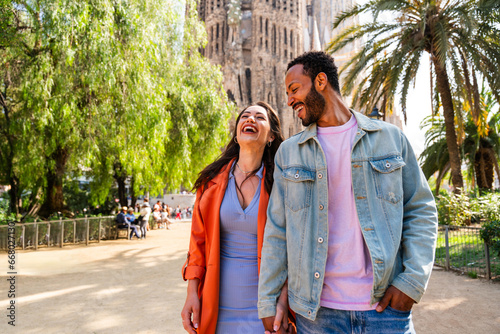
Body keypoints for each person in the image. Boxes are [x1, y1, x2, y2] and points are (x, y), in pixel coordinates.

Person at [258, 51, 438, 334]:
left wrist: (412, 281)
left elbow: (420, 209)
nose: (289, 100)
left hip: (385, 312)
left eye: (294, 89)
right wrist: (268, 302)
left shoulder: (389, 138)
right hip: (317, 315)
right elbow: (278, 231)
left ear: (320, 81)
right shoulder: (290, 153)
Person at [181, 102, 287, 334]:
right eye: (245, 116)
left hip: (266, 309)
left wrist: (283, 302)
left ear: (271, 136)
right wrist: (192, 293)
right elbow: (197, 244)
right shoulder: (210, 182)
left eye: (259, 117)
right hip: (216, 305)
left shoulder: (282, 184)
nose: (250, 119)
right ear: (237, 133)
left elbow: (292, 249)